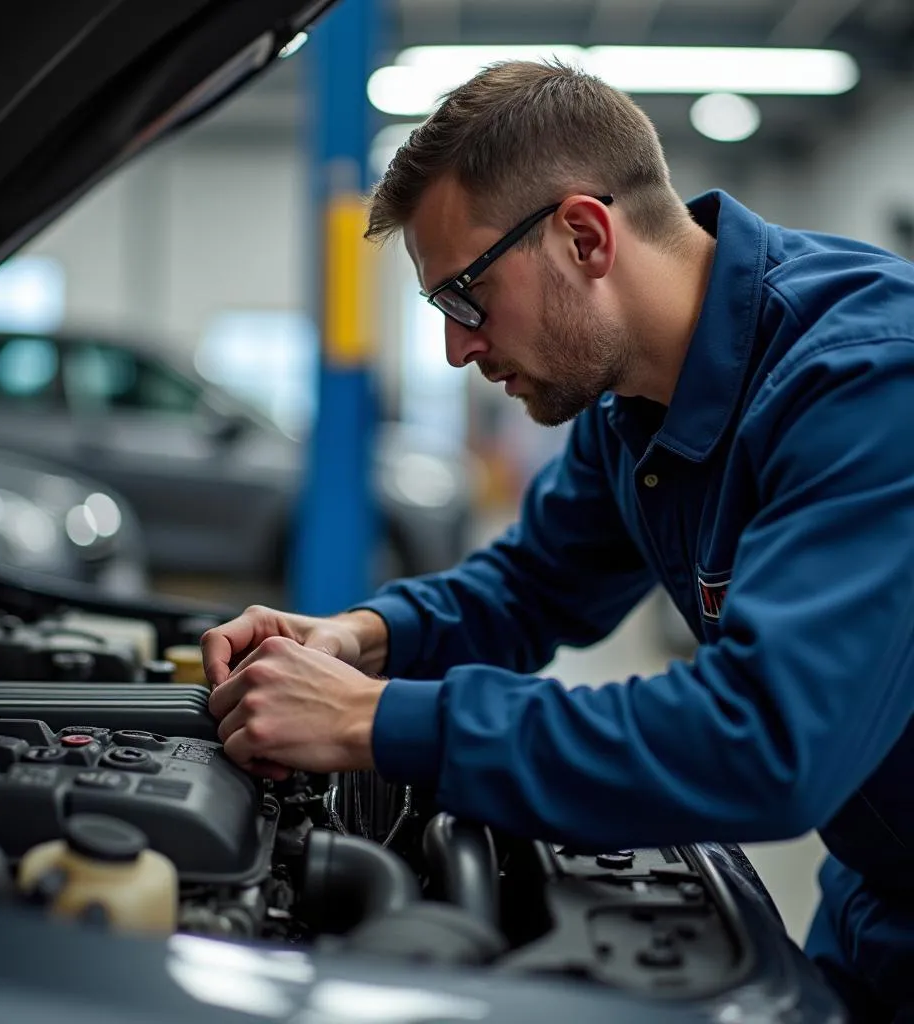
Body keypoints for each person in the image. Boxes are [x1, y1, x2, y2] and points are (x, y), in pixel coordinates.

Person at [203, 60, 914, 1019]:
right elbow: (534, 584)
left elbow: (765, 742)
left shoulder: (867, 384)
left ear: (584, 235)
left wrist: (372, 721)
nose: (458, 348)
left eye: (465, 298)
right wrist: (359, 638)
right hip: (877, 904)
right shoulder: (630, 403)